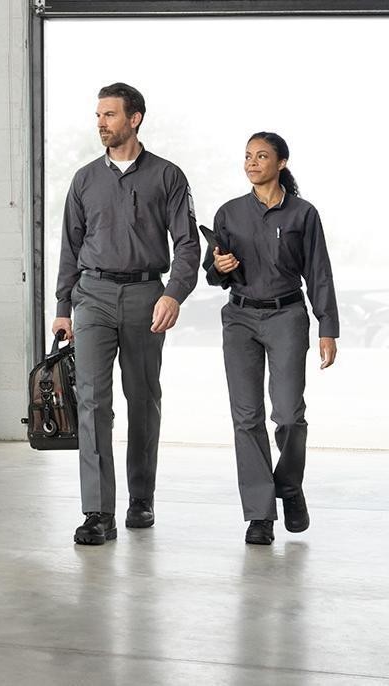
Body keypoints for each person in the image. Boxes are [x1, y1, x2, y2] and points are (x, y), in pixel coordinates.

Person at [54, 83, 200, 545]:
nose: (101, 123)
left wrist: (174, 293)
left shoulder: (167, 177)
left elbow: (188, 243)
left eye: (110, 115)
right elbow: (69, 248)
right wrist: (62, 307)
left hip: (144, 297)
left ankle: (141, 498)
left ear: (134, 118)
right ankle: (98, 511)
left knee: (142, 399)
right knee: (93, 402)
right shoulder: (84, 180)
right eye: (98, 115)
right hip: (92, 296)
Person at [205, 132, 339, 546]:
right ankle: (260, 515)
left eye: (262, 156)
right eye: (247, 156)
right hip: (240, 318)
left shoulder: (303, 214)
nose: (252, 162)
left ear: (281, 163)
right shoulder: (229, 213)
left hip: (287, 316)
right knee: (246, 418)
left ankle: (290, 486)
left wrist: (327, 327)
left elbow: (319, 272)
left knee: (288, 415)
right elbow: (214, 276)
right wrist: (221, 266)